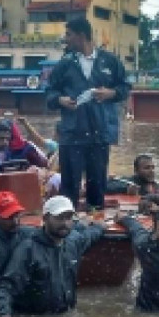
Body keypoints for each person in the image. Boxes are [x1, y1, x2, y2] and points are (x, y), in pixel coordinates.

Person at [47, 17, 130, 210]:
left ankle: (96, 225)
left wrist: (110, 93)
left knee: (97, 185)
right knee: (69, 186)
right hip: (71, 133)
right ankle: (66, 226)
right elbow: (49, 93)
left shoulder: (110, 61)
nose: (65, 39)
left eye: (68, 34)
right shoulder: (64, 64)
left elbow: (125, 87)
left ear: (81, 35)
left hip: (99, 133)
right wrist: (61, 100)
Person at [0, 195, 105, 317]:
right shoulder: (28, 249)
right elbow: (7, 285)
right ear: (45, 218)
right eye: (59, 218)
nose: (65, 223)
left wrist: (100, 227)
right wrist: (4, 314)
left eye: (69, 218)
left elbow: (89, 236)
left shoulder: (73, 242)